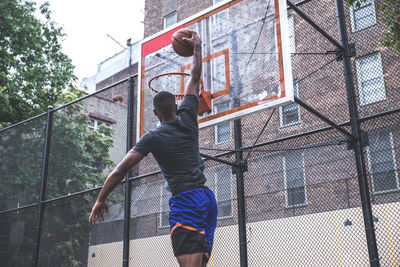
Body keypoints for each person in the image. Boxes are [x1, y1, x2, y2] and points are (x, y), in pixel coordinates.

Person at [89, 30, 218, 267]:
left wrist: (100, 198)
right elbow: (194, 75)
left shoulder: (152, 137)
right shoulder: (188, 116)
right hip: (207, 198)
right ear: (177, 108)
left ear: (155, 113)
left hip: (187, 201)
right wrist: (197, 48)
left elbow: (120, 170)